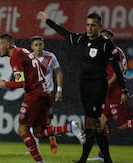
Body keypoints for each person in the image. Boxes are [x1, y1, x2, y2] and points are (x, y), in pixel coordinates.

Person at [38, 11, 130, 163]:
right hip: (85, 87)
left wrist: (124, 89)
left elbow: (117, 69)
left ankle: (90, 159)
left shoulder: (107, 44)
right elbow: (64, 32)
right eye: (87, 25)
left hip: (98, 87)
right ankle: (103, 159)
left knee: (93, 124)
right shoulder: (81, 39)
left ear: (99, 27)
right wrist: (48, 21)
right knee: (92, 125)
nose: (89, 28)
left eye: (93, 25)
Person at [0, 33, 85, 163]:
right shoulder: (24, 51)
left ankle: (39, 162)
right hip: (45, 93)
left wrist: (5, 84)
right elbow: (42, 68)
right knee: (39, 133)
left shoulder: (15, 57)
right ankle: (70, 128)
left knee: (22, 129)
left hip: (34, 96)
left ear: (8, 44)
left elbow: (21, 82)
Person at [87, 29, 133, 162]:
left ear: (111, 39)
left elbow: (117, 72)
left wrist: (106, 85)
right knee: (100, 122)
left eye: (106, 38)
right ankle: (103, 154)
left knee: (122, 125)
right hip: (109, 93)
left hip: (115, 92)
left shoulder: (114, 52)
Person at [29, 35, 63, 154]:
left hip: (47, 93)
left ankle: (52, 139)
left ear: (43, 45)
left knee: (47, 120)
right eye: (36, 45)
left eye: (40, 44)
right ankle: (36, 146)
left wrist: (59, 90)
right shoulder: (29, 58)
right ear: (32, 47)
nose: (38, 47)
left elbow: (58, 73)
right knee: (33, 119)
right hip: (33, 93)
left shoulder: (50, 56)